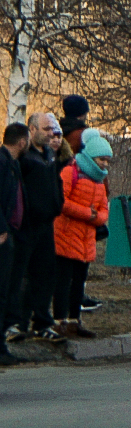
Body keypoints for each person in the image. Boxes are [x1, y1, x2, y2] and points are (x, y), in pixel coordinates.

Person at [7, 113, 65, 345]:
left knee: (45, 275)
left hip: (46, 225)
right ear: (32, 129)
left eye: (53, 128)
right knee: (18, 275)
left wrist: (56, 204)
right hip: (25, 226)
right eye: (46, 128)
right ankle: (14, 323)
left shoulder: (49, 155)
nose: (52, 133)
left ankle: (42, 322)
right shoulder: (23, 157)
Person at [52, 128, 110, 339]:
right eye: (102, 159)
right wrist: (88, 214)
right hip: (66, 235)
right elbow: (62, 202)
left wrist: (96, 218)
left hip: (86, 239)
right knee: (63, 280)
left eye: (107, 160)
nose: (105, 164)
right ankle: (59, 322)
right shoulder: (70, 172)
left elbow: (104, 210)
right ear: (91, 156)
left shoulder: (99, 180)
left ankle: (75, 321)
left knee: (79, 282)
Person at [0, 123, 24, 366]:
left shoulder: (12, 164)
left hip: (12, 233)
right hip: (3, 235)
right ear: (22, 142)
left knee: (7, 291)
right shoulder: (2, 162)